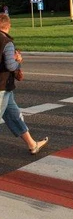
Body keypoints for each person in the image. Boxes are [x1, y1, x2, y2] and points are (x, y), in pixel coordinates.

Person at [0, 14, 49, 155]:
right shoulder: (6, 42)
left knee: (14, 115)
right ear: (8, 26)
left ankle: (32, 144)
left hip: (6, 89)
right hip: (2, 86)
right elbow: (10, 66)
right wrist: (18, 60)